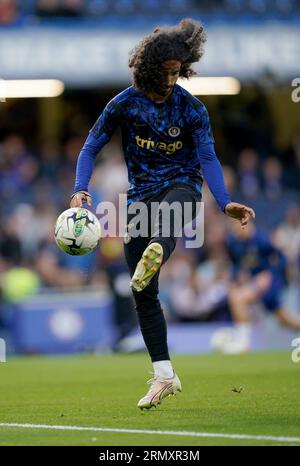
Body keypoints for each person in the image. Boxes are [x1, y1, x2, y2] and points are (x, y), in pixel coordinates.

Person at [70, 18, 255, 410]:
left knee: (170, 217)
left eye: (178, 73)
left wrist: (223, 202)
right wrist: (80, 188)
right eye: (166, 72)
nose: (172, 81)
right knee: (142, 290)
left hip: (182, 186)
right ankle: (164, 375)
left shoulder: (191, 109)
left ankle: (159, 247)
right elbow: (89, 147)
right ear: (150, 68)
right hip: (139, 197)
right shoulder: (123, 104)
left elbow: (207, 157)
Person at [212, 221, 300, 354]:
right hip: (255, 283)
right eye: (234, 228)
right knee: (285, 321)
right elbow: (235, 264)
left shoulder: (261, 239)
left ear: (247, 226)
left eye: (238, 228)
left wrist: (269, 275)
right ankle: (243, 342)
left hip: (271, 283)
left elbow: (281, 258)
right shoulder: (234, 243)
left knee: (237, 299)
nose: (236, 231)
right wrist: (234, 280)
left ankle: (243, 343)